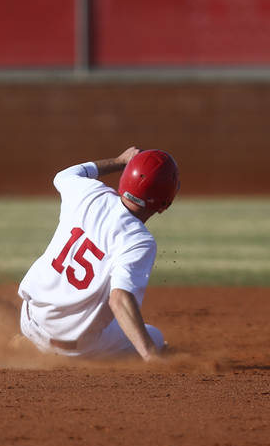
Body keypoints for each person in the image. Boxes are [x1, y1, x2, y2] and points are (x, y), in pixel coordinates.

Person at [17, 147, 180, 361]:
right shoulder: (138, 240)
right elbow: (119, 299)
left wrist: (119, 160)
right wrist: (151, 356)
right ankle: (49, 351)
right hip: (74, 350)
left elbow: (64, 175)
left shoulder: (89, 193)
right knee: (155, 336)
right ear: (164, 204)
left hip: (28, 322)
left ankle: (27, 344)